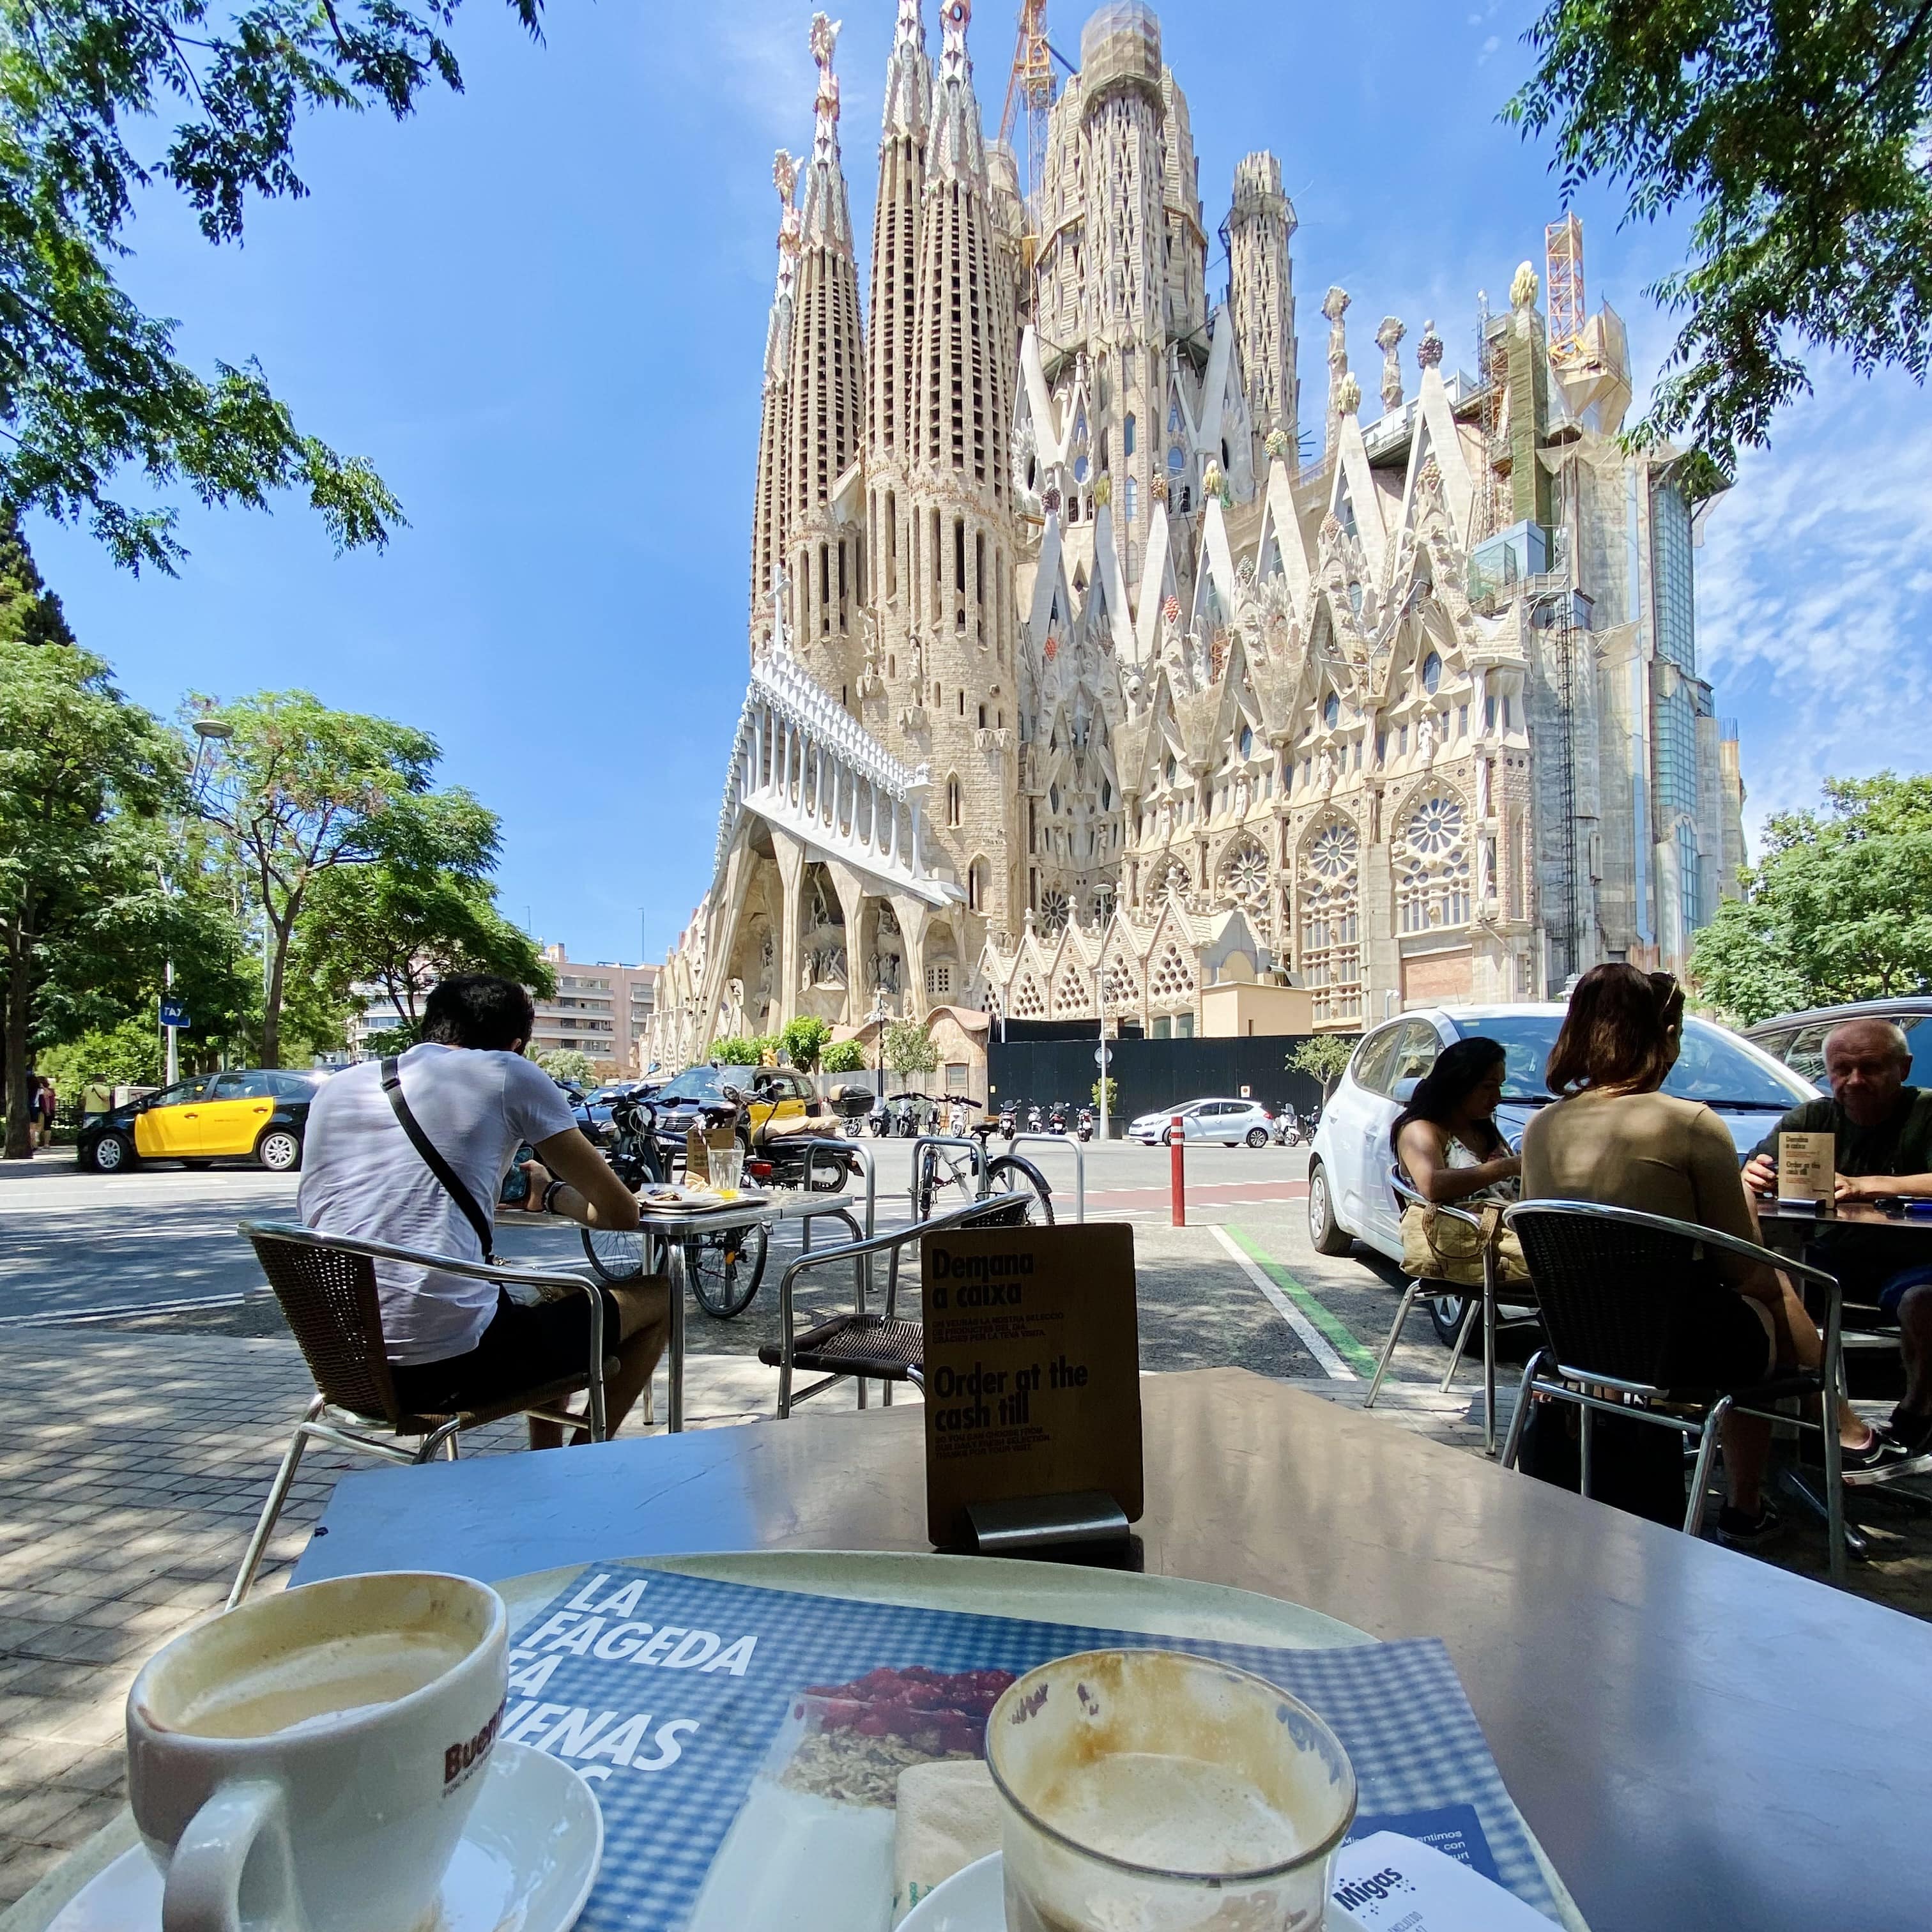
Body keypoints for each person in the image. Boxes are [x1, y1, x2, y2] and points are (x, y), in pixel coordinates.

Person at [1520, 965, 1906, 1543]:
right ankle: (1753, 1499)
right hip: (1673, 1346)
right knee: (1762, 1308)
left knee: (1756, 1306)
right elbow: (1742, 1267)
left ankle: (1832, 1423)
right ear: (1666, 1035)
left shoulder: (1542, 1126)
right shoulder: (1690, 1124)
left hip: (1579, 1338)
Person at [298, 974, 666, 1448]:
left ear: (432, 1028)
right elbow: (621, 1213)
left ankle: (547, 1460)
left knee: (547, 1304)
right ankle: (582, 1462)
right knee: (659, 1295)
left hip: (343, 1366)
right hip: (444, 1370)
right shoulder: (507, 1073)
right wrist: (550, 1194)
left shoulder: (336, 1088)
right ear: (515, 1046)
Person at [1742, 1016, 1932, 1475]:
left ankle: (1915, 1416)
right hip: (1828, 1259)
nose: (1854, 1081)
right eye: (1842, 1069)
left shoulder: (1925, 1113)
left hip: (1911, 1263)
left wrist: (1867, 1186)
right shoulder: (1813, 1117)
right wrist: (1755, 1175)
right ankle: (1812, 1427)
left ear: (1904, 1068)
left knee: (1925, 1303)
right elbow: (1756, 1166)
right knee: (1766, 1287)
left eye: (1870, 1068)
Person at [1390, 1036, 1521, 1206]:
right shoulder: (1420, 1129)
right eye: (1488, 1087)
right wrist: (1505, 1167)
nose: (1497, 1097)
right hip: (1457, 1231)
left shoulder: (1482, 1127)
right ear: (1458, 1085)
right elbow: (1432, 1186)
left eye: (1500, 1087)